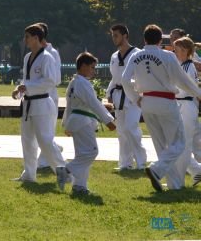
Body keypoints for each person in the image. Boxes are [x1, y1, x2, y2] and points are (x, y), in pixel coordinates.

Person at [122, 24, 201, 192]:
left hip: (146, 102)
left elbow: (124, 79)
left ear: (144, 39)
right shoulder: (167, 56)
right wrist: (198, 93)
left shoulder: (136, 56)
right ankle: (157, 170)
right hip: (166, 101)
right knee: (178, 143)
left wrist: (135, 98)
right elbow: (182, 80)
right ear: (160, 40)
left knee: (161, 144)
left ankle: (173, 184)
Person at [11, 23, 66, 186]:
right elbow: (26, 80)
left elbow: (50, 81)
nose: (25, 40)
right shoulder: (28, 57)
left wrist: (27, 87)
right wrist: (19, 90)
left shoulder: (47, 57)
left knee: (45, 140)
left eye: (27, 37)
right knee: (27, 140)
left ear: (36, 38)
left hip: (43, 102)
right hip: (28, 104)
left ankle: (63, 170)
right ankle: (29, 174)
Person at [60, 53, 116, 194]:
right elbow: (93, 104)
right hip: (82, 121)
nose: (94, 71)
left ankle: (79, 186)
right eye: (92, 67)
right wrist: (108, 120)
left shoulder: (75, 82)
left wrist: (66, 124)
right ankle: (66, 170)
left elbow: (72, 104)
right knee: (92, 152)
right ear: (83, 66)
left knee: (82, 155)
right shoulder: (82, 83)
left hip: (77, 120)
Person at [106, 24, 147, 170]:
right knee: (122, 130)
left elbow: (143, 76)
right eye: (112, 35)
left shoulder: (138, 54)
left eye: (116, 35)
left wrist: (141, 94)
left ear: (125, 36)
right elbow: (114, 78)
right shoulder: (114, 56)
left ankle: (141, 162)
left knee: (131, 128)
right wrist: (109, 93)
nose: (114, 38)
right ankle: (125, 163)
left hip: (134, 96)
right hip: (118, 96)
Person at [171, 37, 201, 187]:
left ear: (189, 52)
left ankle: (180, 179)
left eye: (182, 50)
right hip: (180, 105)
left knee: (184, 144)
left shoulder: (189, 66)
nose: (178, 53)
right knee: (179, 143)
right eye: (177, 50)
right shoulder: (179, 65)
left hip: (188, 105)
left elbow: (187, 88)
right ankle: (196, 170)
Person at [35, 23, 64, 171]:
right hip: (34, 97)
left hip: (49, 95)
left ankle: (45, 161)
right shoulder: (33, 54)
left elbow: (57, 79)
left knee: (46, 130)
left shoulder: (52, 53)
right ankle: (55, 148)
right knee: (38, 131)